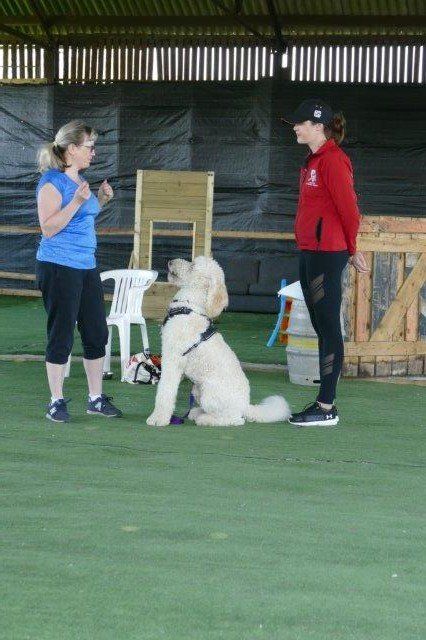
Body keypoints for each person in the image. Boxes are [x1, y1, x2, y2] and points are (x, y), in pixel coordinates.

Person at [281, 99, 369, 427]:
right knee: (321, 326)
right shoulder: (312, 161)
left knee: (328, 326)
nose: (295, 127)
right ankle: (324, 402)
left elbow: (350, 210)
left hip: (327, 253)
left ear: (318, 126)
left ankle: (326, 406)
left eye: (300, 123)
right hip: (310, 251)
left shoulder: (334, 160)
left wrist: (352, 249)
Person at [36, 120, 122, 423]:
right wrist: (76, 201)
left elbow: (81, 219)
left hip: (86, 266)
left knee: (96, 332)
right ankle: (55, 401)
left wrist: (100, 200)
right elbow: (49, 228)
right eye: (89, 146)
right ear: (72, 149)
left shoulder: (79, 181)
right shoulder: (51, 182)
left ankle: (95, 399)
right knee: (61, 334)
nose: (93, 152)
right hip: (58, 266)